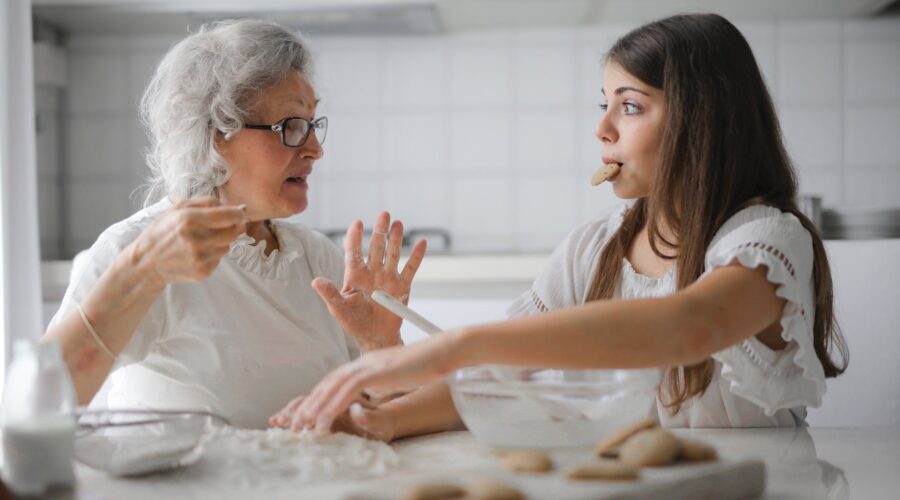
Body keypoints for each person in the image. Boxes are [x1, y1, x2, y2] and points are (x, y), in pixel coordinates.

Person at [272, 13, 849, 437]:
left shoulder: (767, 240)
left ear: (703, 121)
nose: (602, 128)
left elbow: (690, 326)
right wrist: (384, 419)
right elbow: (502, 377)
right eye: (603, 103)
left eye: (629, 105)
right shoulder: (594, 247)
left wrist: (459, 343)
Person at [42, 19, 425, 429]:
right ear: (213, 134)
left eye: (312, 124)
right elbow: (42, 400)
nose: (315, 149)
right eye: (291, 127)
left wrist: (380, 345)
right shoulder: (138, 248)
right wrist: (141, 272)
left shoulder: (316, 258)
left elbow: (381, 418)